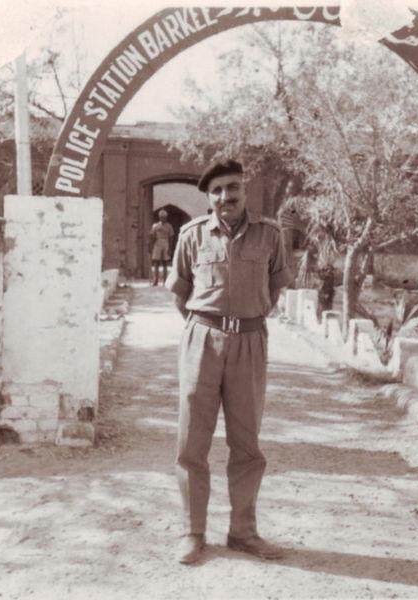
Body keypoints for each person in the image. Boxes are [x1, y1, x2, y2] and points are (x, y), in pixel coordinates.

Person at [165, 159, 294, 564]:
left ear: (245, 189)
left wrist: (245, 323)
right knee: (192, 443)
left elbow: (275, 287)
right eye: (217, 190)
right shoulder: (192, 236)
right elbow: (179, 292)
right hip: (201, 339)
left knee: (247, 444)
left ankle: (243, 532)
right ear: (209, 197)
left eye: (233, 187)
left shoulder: (270, 235)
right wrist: (209, 328)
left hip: (251, 342)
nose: (226, 197)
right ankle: (192, 532)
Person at [149, 209, 174, 286]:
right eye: (161, 217)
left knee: (165, 263)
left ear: (166, 217)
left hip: (165, 243)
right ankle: (155, 280)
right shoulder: (155, 225)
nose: (163, 218)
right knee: (156, 262)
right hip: (157, 243)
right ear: (159, 217)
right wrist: (151, 246)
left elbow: (171, 237)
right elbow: (152, 236)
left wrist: (170, 248)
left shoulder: (169, 226)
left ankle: (165, 280)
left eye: (164, 217)